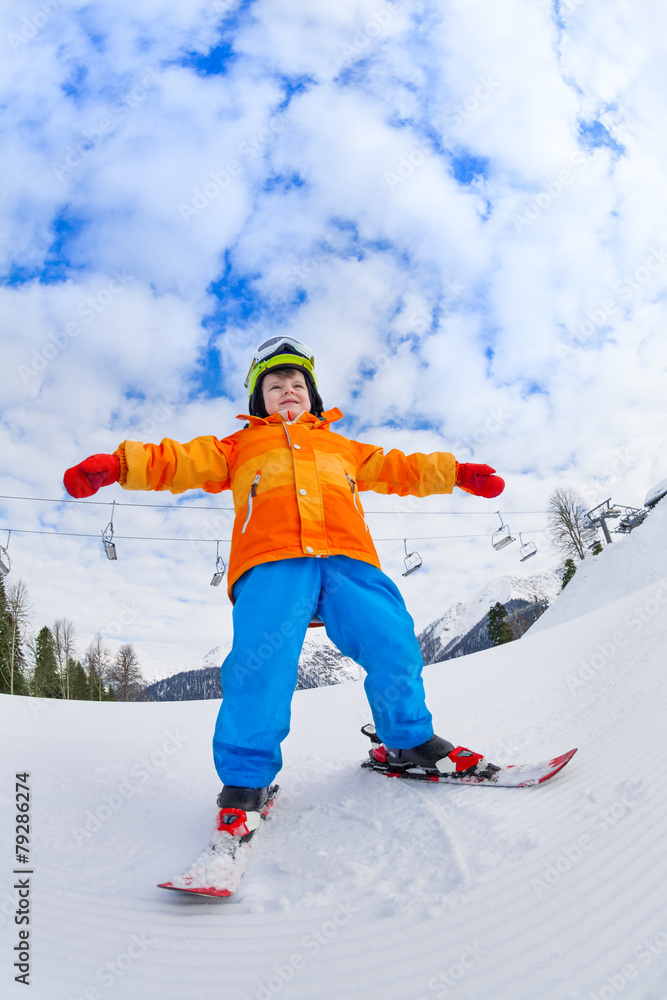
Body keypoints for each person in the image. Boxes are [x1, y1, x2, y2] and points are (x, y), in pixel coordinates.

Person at [64, 337, 505, 826]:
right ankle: (245, 783)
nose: (289, 390)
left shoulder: (345, 447)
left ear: (313, 396)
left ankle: (407, 742)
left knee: (394, 643)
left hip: (349, 558)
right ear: (259, 400)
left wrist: (458, 472)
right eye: (275, 385)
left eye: (298, 384)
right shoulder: (239, 446)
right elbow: (176, 460)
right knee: (261, 667)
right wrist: (119, 464)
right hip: (272, 559)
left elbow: (404, 468)